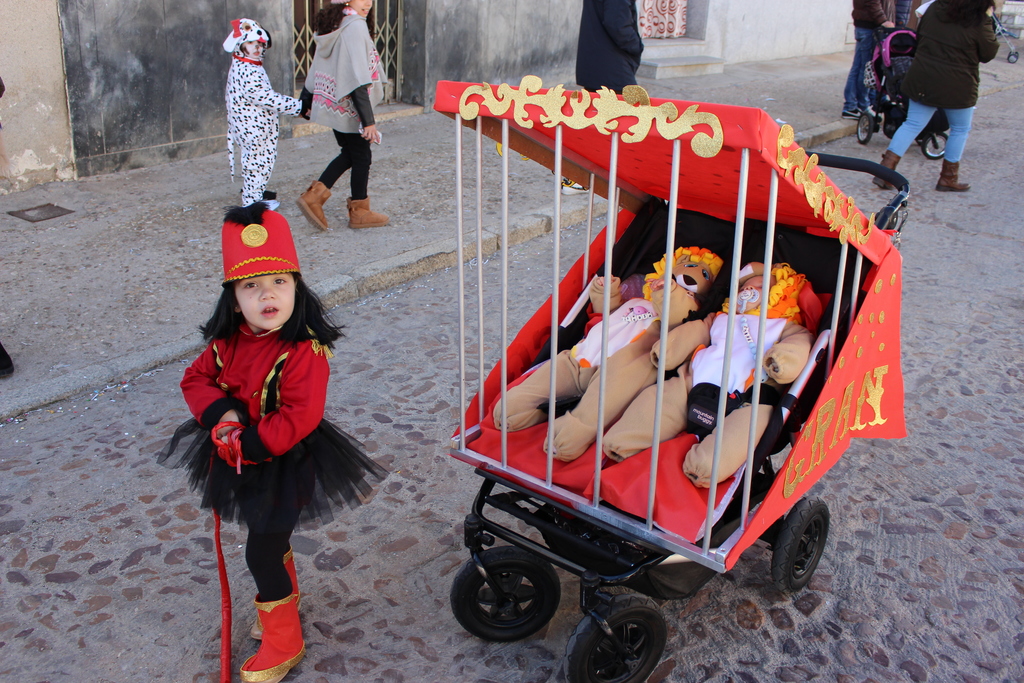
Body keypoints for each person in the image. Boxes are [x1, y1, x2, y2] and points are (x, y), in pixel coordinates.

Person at [159, 204, 385, 682]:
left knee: (260, 550)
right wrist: (222, 418)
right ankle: (282, 604)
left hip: (283, 459)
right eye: (251, 286)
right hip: (236, 450)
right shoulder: (229, 342)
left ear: (296, 288)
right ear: (233, 299)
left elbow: (299, 416)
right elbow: (196, 378)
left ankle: (285, 637)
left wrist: (247, 444)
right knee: (268, 538)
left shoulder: (304, 351)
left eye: (279, 282)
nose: (268, 294)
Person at [874, 0, 999, 191]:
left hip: (923, 76)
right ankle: (948, 178)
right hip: (958, 82)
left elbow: (919, 36)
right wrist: (989, 17)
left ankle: (885, 172)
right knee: (960, 128)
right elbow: (988, 52)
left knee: (912, 124)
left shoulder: (934, 8)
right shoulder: (979, 19)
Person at [297, 0, 389, 230]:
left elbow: (317, 65)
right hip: (350, 106)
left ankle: (316, 196)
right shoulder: (354, 25)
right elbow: (358, 77)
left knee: (350, 154)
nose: (367, 3)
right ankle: (358, 212)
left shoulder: (335, 23)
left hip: (333, 103)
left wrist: (306, 99)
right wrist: (368, 121)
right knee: (361, 157)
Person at [224, 19, 306, 209]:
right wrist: (298, 107)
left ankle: (256, 195)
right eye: (252, 44)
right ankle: (251, 205)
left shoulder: (249, 65)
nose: (258, 48)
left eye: (260, 44)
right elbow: (264, 97)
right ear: (241, 45)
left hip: (256, 126)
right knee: (256, 164)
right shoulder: (246, 68)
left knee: (260, 163)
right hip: (252, 128)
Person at [565, 0, 645, 195]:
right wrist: (636, 46)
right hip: (611, 66)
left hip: (598, 63)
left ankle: (583, 178)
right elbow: (616, 22)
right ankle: (590, 179)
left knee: (598, 123)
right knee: (627, 121)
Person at [842, 0, 896, 120]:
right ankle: (860, 106)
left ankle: (851, 106)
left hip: (866, 26)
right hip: (869, 27)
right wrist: (883, 21)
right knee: (865, 68)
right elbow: (872, 2)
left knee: (859, 67)